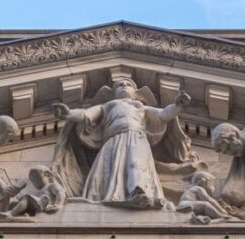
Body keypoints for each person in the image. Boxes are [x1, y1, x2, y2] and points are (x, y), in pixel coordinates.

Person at [51, 78, 193, 209]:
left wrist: (177, 105)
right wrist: (69, 113)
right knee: (108, 170)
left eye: (128, 84)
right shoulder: (108, 106)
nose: (124, 86)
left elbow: (163, 115)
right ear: (113, 93)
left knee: (136, 163)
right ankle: (107, 195)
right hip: (113, 140)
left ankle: (138, 191)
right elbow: (86, 115)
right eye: (120, 85)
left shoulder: (140, 106)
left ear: (135, 93)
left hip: (136, 138)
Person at [1, 166, 66, 217]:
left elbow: (60, 192)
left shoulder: (51, 185)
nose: (35, 182)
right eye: (33, 181)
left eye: (36, 178)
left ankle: (12, 213)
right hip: (36, 206)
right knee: (13, 204)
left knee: (28, 197)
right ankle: (7, 215)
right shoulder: (40, 191)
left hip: (46, 205)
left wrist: (59, 204)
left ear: (48, 175)